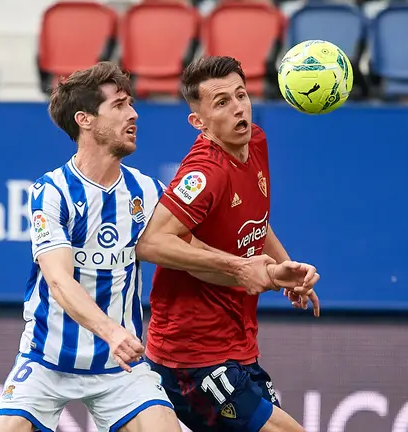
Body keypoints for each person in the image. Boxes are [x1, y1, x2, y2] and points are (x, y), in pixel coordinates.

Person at [0, 62, 315, 432]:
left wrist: (270, 271)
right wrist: (111, 332)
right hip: (48, 360)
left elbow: (197, 258)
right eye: (119, 106)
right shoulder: (52, 192)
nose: (133, 114)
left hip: (121, 368)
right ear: (85, 120)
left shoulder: (145, 193)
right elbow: (60, 282)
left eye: (130, 104)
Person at [136, 56, 320, 432]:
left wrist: (288, 272)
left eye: (241, 94)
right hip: (190, 357)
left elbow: (256, 225)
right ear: (198, 122)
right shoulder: (205, 173)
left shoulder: (256, 141)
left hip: (237, 344)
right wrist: (239, 267)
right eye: (222, 102)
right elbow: (151, 243)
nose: (239, 107)